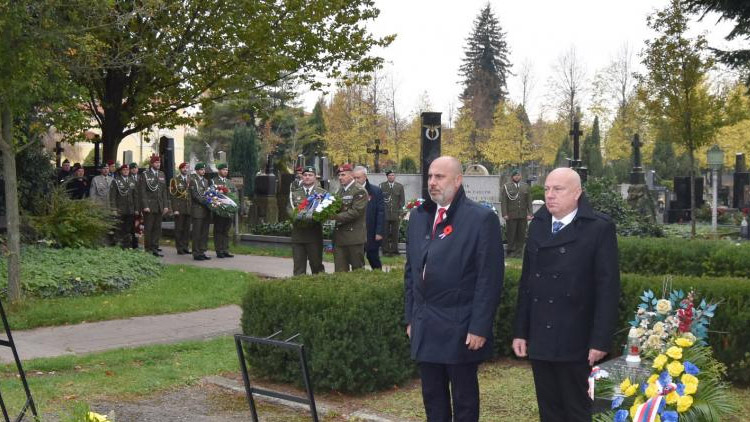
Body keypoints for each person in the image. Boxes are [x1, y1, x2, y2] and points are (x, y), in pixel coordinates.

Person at [512, 167, 620, 422]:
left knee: (577, 409)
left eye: (557, 189)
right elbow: (527, 283)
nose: (550, 195)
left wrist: (600, 340)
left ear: (577, 193)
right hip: (542, 336)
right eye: (547, 189)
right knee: (549, 410)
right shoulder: (538, 225)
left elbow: (608, 289)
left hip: (576, 338)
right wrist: (521, 331)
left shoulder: (598, 228)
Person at [404, 156, 504, 422]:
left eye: (440, 177)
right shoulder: (418, 216)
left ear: (458, 180)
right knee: (432, 398)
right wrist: (411, 317)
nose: (433, 183)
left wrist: (479, 326)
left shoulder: (481, 219)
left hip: (460, 326)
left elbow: (489, 278)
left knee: (464, 401)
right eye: (430, 177)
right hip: (425, 324)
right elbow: (411, 271)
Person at [290, 166, 328, 275]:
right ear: (302, 176)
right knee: (298, 268)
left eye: (310, 175)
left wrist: (314, 217)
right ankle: (299, 290)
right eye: (305, 175)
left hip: (314, 236)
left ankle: (318, 289)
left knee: (317, 266)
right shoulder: (294, 193)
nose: (307, 177)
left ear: (315, 177)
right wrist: (297, 217)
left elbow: (326, 211)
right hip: (298, 236)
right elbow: (289, 209)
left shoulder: (322, 193)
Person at [332, 163, 367, 272]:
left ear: (351, 175)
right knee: (340, 271)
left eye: (343, 175)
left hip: (354, 237)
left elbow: (355, 212)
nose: (340, 177)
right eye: (339, 175)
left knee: (357, 271)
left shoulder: (359, 190)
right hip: (340, 237)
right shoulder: (340, 191)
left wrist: (334, 216)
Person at [352, 166, 385, 270]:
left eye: (359, 178)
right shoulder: (351, 191)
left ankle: (378, 277)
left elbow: (381, 212)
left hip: (371, 231)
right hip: (356, 231)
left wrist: (379, 232)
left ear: (365, 177)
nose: (356, 180)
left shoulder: (375, 191)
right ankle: (359, 279)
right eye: (354, 178)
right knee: (356, 259)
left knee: (372, 256)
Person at [139, 155, 170, 257]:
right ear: (152, 164)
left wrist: (166, 205)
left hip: (159, 205)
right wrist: (145, 205)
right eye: (156, 162)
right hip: (149, 205)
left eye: (159, 162)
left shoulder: (161, 174)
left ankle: (155, 248)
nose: (158, 164)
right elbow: (142, 192)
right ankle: (148, 249)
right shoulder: (145, 174)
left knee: (157, 228)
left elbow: (164, 191)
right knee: (149, 228)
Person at [500, 169, 533, 258]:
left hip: (522, 214)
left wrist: (530, 213)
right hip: (511, 215)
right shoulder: (507, 187)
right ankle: (511, 251)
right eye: (515, 175)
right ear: (512, 177)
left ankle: (519, 252)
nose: (517, 177)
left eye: (518, 175)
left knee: (521, 234)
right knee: (511, 233)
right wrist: (504, 214)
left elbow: (529, 201)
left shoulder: (525, 187)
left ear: (520, 176)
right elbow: (504, 201)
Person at [211, 163, 236, 258]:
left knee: (226, 230)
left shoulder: (230, 182)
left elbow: (234, 194)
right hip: (219, 210)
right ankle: (219, 250)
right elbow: (211, 195)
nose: (226, 171)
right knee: (218, 230)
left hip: (228, 211)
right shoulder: (214, 181)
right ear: (219, 170)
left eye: (227, 170)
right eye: (224, 170)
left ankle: (225, 249)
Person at [109, 165, 138, 248]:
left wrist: (136, 208)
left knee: (129, 229)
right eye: (124, 170)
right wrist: (113, 209)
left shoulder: (132, 181)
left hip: (130, 209)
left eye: (127, 170)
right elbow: (112, 196)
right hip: (120, 209)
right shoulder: (116, 181)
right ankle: (118, 245)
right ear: (121, 171)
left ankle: (127, 246)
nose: (126, 171)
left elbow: (135, 196)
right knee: (119, 228)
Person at [380, 169, 405, 256]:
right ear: (387, 177)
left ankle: (394, 250)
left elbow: (402, 201)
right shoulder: (382, 186)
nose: (391, 177)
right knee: (385, 233)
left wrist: (400, 211)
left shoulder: (399, 186)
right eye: (389, 175)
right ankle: (385, 250)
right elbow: (380, 200)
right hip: (385, 214)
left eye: (393, 175)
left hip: (395, 213)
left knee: (395, 233)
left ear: (395, 176)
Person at [190, 162, 212, 261]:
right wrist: (206, 202)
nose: (203, 171)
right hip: (198, 210)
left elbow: (207, 193)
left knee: (204, 232)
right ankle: (196, 252)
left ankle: (202, 251)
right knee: (197, 232)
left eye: (204, 169)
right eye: (201, 169)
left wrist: (211, 201)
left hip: (206, 210)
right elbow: (195, 195)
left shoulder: (206, 181)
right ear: (197, 170)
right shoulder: (193, 181)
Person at [170, 162, 192, 255]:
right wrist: (175, 209)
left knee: (187, 229)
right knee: (179, 229)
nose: (185, 170)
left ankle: (185, 247)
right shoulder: (175, 180)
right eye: (184, 168)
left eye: (187, 168)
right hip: (179, 208)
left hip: (188, 208)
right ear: (180, 169)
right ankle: (179, 248)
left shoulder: (190, 180)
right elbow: (173, 196)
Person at [129, 163, 141, 249]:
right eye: (132, 168)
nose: (134, 169)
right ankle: (130, 244)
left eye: (135, 168)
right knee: (131, 226)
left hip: (140, 205)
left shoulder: (141, 178)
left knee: (139, 226)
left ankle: (137, 244)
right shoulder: (127, 178)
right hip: (131, 206)